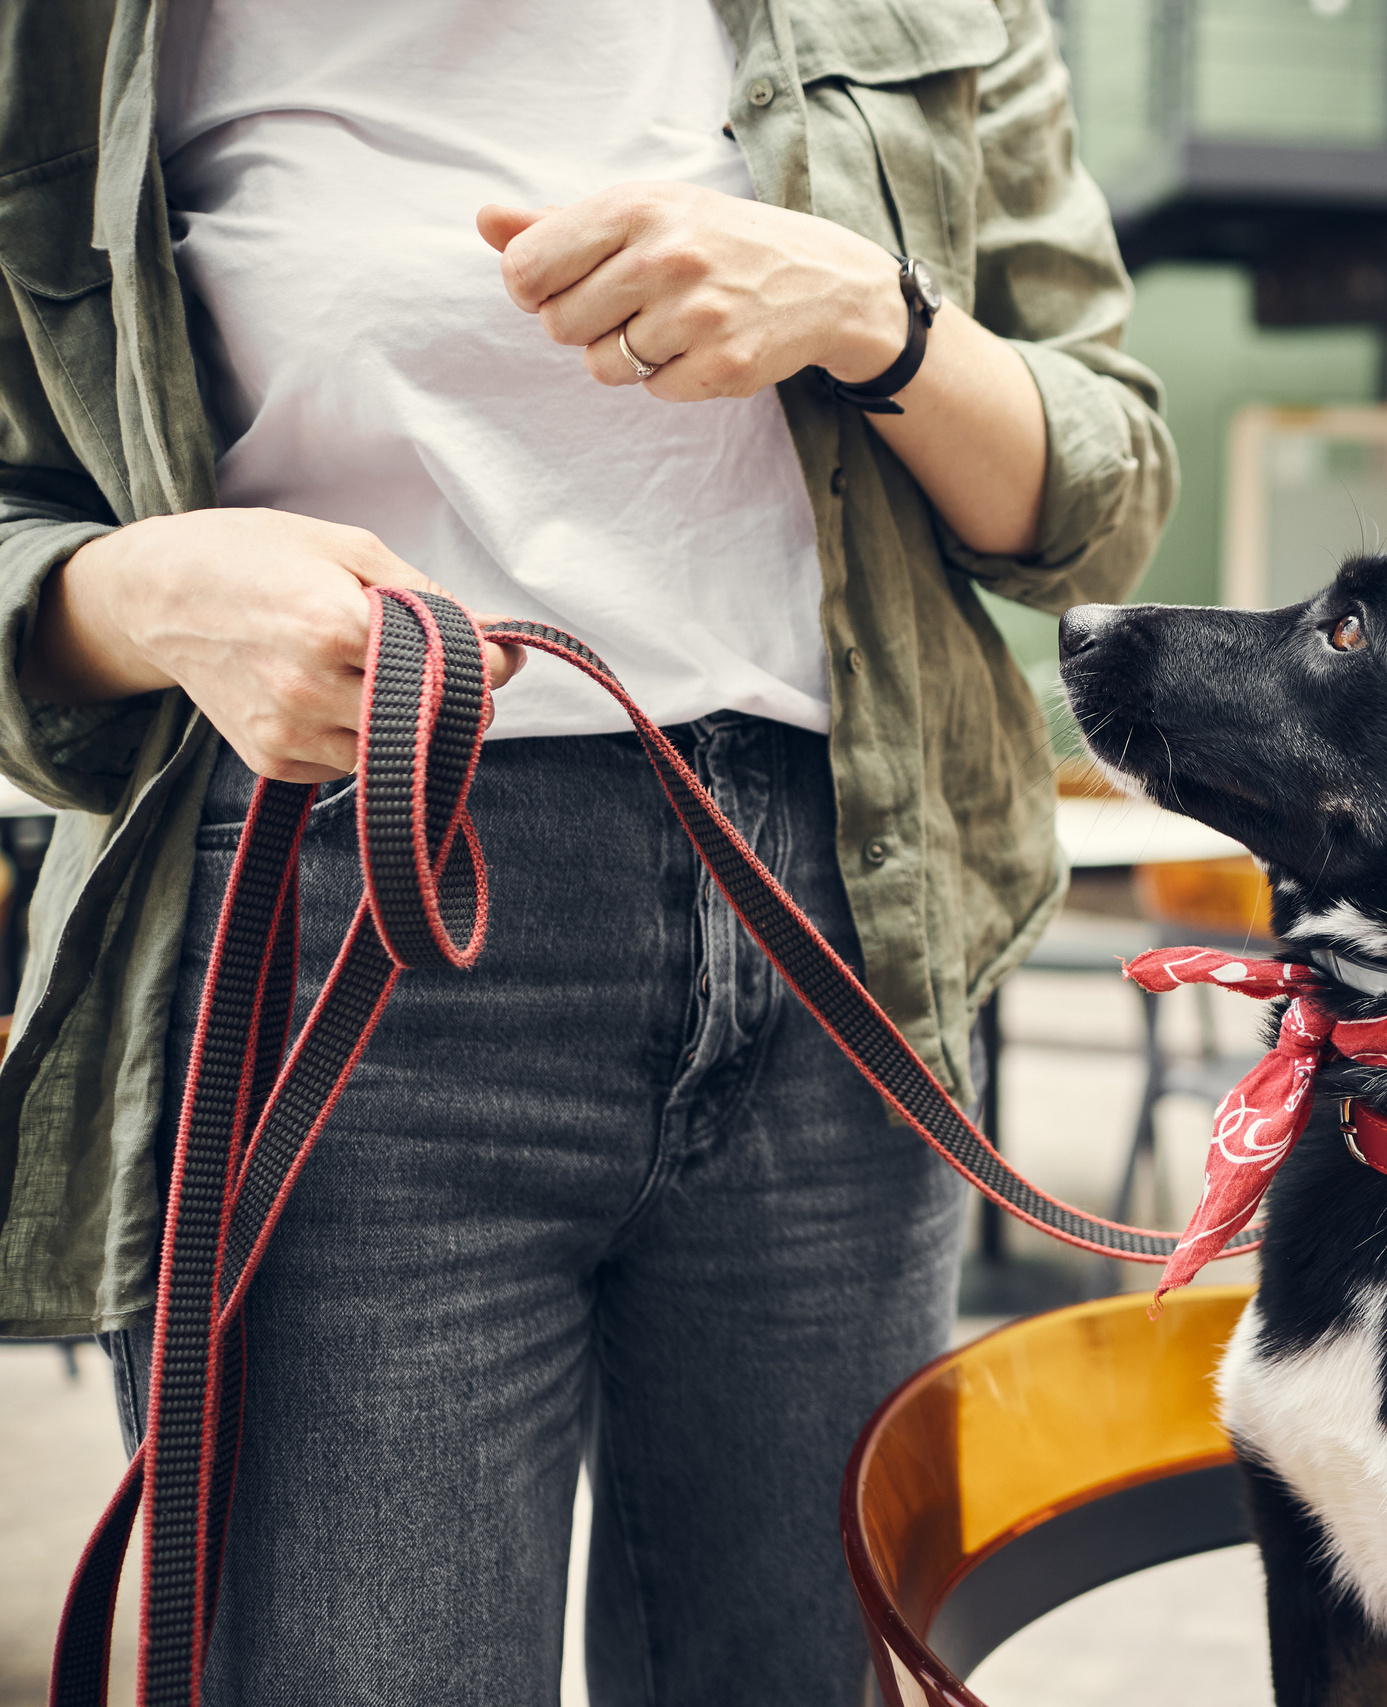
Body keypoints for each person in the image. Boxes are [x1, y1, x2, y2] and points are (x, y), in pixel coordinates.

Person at [0, 0, 1173, 1700]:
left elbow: (1106, 499)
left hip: (848, 932)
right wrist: (142, 596)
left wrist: (873, 315)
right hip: (343, 948)